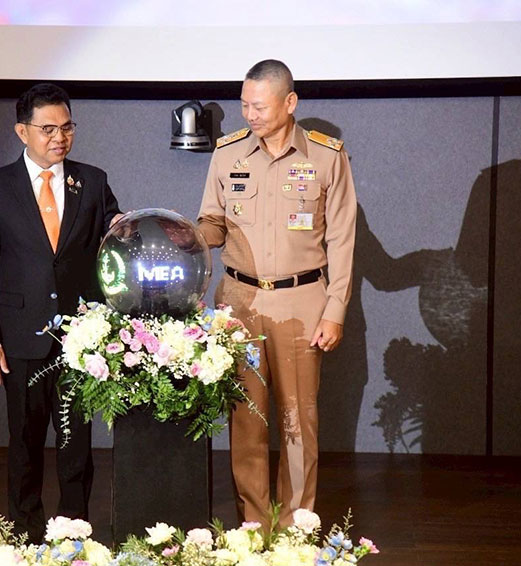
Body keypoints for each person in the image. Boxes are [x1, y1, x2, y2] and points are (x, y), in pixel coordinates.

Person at [196, 60, 357, 527]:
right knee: (246, 420)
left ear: (290, 103)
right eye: (244, 105)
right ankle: (253, 525)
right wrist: (188, 234)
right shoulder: (227, 154)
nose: (250, 114)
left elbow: (342, 239)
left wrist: (335, 309)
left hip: (301, 302)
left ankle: (294, 528)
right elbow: (212, 221)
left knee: (297, 420)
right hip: (239, 303)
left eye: (260, 106)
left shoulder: (326, 156)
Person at [0, 83, 122, 542]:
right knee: (25, 444)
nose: (60, 137)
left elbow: (111, 234)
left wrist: (122, 225)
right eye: (48, 129)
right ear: (23, 131)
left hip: (79, 338)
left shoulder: (91, 181)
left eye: (67, 127)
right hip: (20, 337)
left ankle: (73, 535)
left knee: (76, 447)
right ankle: (24, 536)